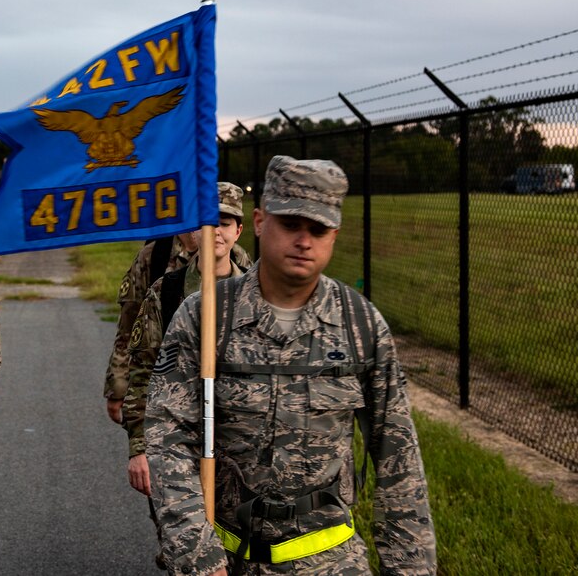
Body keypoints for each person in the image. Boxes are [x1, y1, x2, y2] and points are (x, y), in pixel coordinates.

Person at [146, 156, 436, 575]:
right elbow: (168, 435)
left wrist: (409, 568)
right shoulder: (207, 315)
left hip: (331, 562)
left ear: (334, 235)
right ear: (261, 222)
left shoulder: (359, 325)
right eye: (291, 224)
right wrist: (197, 555)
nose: (304, 240)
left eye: (318, 229)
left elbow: (398, 457)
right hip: (226, 559)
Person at [121, 183, 248, 570]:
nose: (215, 232)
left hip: (242, 450)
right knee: (188, 551)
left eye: (224, 222)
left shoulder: (257, 293)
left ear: (239, 230)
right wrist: (139, 448)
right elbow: (142, 369)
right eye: (206, 222)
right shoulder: (167, 290)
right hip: (182, 441)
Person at [106, 230, 251, 425]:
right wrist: (118, 386)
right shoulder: (155, 254)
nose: (215, 230)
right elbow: (129, 328)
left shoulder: (235, 254)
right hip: (170, 397)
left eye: (224, 222)